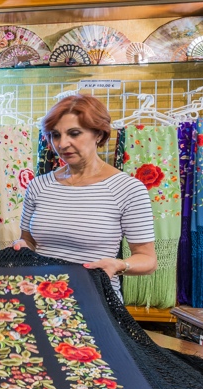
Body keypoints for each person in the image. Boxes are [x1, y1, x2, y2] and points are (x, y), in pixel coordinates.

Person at [13, 94, 157, 299]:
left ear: (98, 134)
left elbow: (148, 260)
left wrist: (119, 265)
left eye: (74, 133)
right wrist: (21, 248)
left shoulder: (127, 189)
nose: (62, 144)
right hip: (41, 298)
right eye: (55, 135)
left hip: (95, 300)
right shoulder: (39, 185)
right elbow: (28, 242)